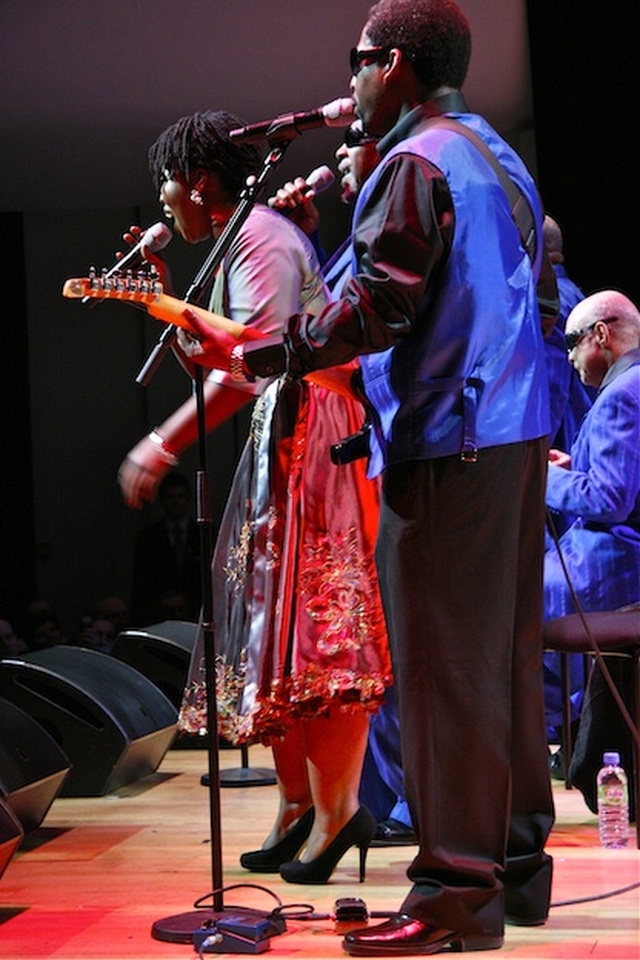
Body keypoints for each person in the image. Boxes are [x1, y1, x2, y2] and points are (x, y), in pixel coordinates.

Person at [180, 0, 558, 951]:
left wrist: (263, 357)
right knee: (501, 667)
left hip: (451, 444)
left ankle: (452, 900)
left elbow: (380, 309)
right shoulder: (494, 156)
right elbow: (515, 289)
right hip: (511, 438)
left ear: (392, 65)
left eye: (355, 64)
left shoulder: (412, 161)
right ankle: (513, 872)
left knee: (442, 677)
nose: (345, 83)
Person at [117, 110, 391, 884]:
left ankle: (338, 815)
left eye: (167, 183)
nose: (164, 200)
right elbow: (231, 359)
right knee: (277, 635)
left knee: (316, 634)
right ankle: (300, 807)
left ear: (199, 181)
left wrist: (162, 442)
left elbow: (260, 360)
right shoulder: (246, 238)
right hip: (288, 429)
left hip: (313, 428)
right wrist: (169, 305)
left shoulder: (258, 236)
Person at [269, 124, 417, 847]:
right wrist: (304, 238)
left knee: (367, 631)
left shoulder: (397, 231)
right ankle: (361, 806)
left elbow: (355, 340)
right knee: (356, 635)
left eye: (351, 144)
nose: (331, 159)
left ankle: (396, 807)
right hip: (354, 446)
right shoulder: (348, 241)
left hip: (377, 447)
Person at [544, 289, 640, 813]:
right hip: (619, 556)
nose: (572, 357)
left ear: (601, 335)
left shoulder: (623, 393)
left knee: (492, 610)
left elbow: (607, 499)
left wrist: (541, 479)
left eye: (573, 345)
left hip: (614, 564)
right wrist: (570, 471)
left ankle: (514, 777)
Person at [130, 471, 202, 626]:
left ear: (189, 499)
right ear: (162, 501)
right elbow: (141, 583)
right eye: (170, 497)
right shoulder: (148, 538)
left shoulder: (204, 536)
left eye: (180, 497)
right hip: (158, 616)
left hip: (195, 615)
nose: (175, 503)